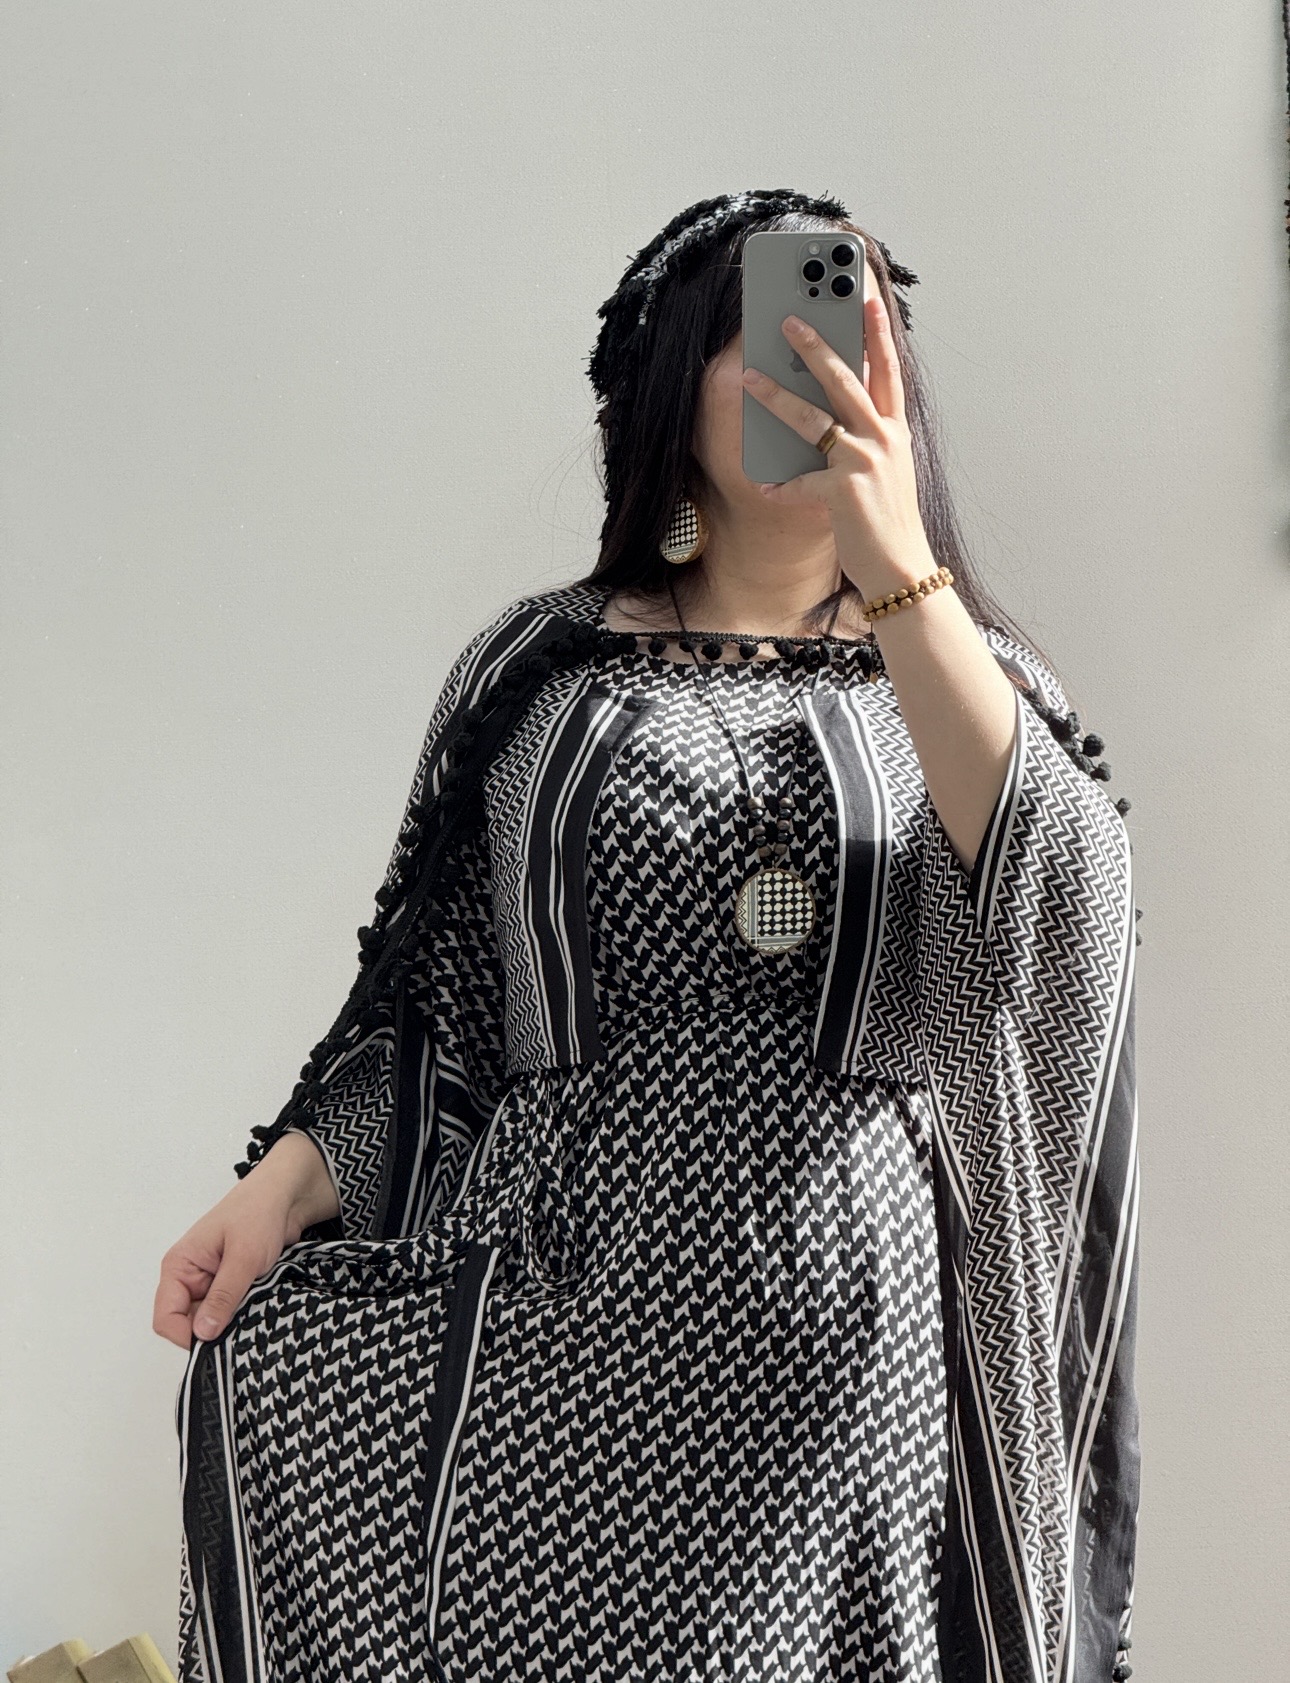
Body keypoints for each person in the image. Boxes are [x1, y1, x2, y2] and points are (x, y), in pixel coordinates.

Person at [154, 190, 1141, 1683]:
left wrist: (898, 576)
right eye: (771, 333)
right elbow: (442, 1003)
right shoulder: (540, 673)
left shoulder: (966, 678)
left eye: (853, 332)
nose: (820, 367)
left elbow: (1062, 919)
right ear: (674, 387)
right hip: (554, 1319)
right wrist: (279, 1189)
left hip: (842, 1352)